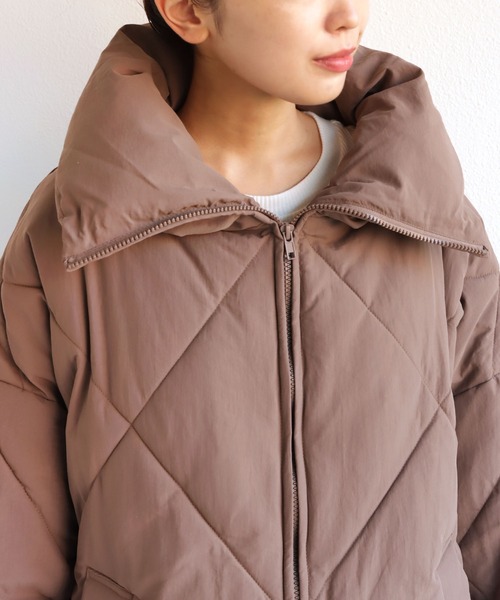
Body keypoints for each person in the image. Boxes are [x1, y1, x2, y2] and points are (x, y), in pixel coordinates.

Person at [0, 0, 498, 598]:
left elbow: (488, 503)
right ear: (187, 10)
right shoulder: (73, 233)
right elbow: (18, 541)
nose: (350, 16)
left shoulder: (427, 215)